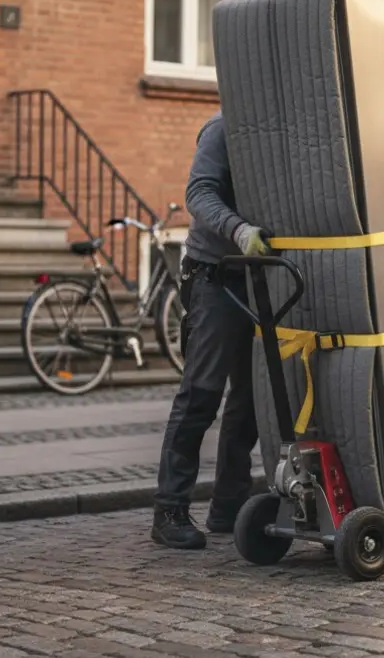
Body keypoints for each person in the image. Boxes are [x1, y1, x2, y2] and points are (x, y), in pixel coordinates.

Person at [151, 112, 271, 549]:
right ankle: (169, 510)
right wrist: (238, 231)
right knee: (201, 393)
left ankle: (229, 507)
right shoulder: (224, 128)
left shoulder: (279, 125)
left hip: (262, 275)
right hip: (214, 276)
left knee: (250, 400)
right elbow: (198, 193)